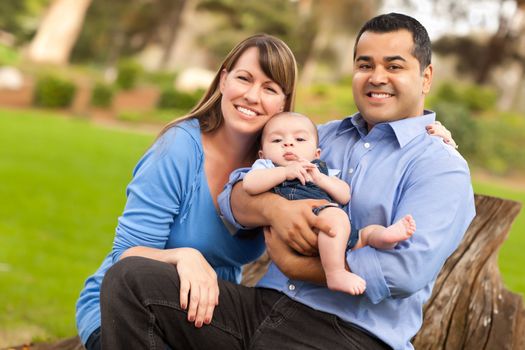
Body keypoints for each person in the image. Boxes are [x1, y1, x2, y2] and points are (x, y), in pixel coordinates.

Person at [97, 16, 463, 350]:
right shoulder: (320, 136)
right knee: (132, 280)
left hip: (347, 334)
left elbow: (404, 271)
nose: (376, 77)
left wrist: (294, 264)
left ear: (426, 77)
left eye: (394, 66)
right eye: (365, 65)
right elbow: (234, 197)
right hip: (261, 307)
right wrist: (275, 208)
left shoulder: (440, 166)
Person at [243, 111, 416, 295]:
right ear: (262, 154)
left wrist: (320, 179)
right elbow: (249, 184)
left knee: (366, 233)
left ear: (316, 153)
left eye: (300, 139)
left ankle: (384, 237)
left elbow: (344, 195)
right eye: (277, 141)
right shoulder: (267, 167)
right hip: (307, 225)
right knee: (336, 216)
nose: (288, 143)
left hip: (334, 233)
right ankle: (335, 272)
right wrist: (284, 173)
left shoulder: (318, 170)